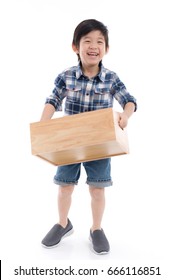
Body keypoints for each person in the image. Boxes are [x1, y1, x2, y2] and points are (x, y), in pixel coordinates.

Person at [40, 19, 137, 255]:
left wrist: (125, 115)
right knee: (64, 187)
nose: (93, 46)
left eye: (99, 42)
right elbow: (52, 100)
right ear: (76, 46)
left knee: (97, 188)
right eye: (87, 41)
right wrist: (44, 123)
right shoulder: (67, 76)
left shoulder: (111, 78)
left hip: (100, 143)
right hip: (70, 142)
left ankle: (96, 228)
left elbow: (130, 100)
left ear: (106, 48)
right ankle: (63, 224)